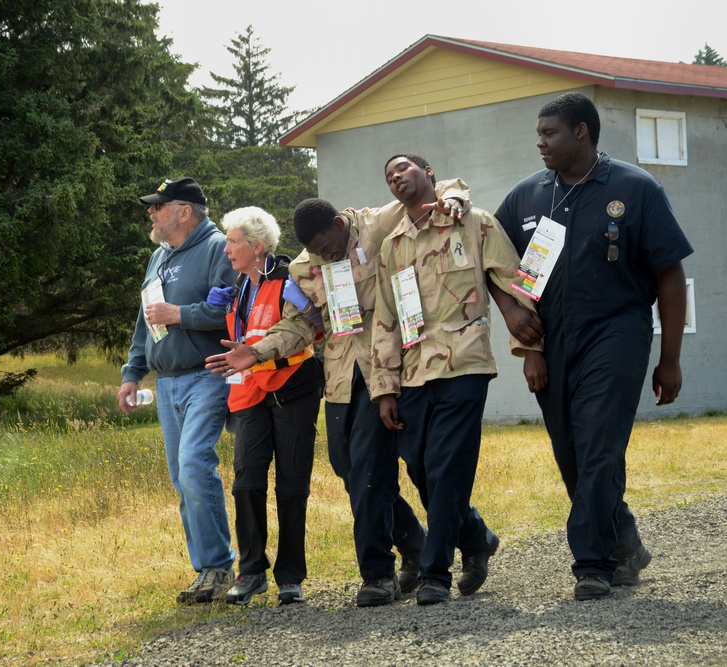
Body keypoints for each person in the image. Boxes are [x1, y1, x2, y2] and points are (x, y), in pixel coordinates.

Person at [206, 181, 477, 608]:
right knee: (347, 467)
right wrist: (254, 351)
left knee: (375, 468)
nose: (324, 257)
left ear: (338, 224)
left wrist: (455, 197)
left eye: (328, 248)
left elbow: (434, 188)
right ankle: (460, 537)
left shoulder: (378, 222)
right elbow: (300, 325)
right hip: (338, 374)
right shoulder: (302, 266)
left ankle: (378, 573)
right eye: (315, 252)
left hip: (387, 367)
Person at [493, 92, 693, 601]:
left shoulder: (635, 188)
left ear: (581, 132)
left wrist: (670, 359)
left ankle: (593, 563)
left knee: (599, 447)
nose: (540, 143)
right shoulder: (527, 196)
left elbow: (670, 275)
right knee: (573, 455)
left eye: (549, 133)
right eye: (538, 134)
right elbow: (500, 268)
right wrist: (522, 333)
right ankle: (624, 539)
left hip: (616, 333)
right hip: (552, 342)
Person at [370, 153, 544, 605]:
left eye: (403, 167)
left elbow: (514, 282)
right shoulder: (392, 246)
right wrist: (385, 387)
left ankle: (435, 573)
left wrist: (531, 348)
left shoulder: (474, 222)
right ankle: (478, 537)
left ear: (429, 174)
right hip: (412, 372)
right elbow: (386, 319)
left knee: (448, 467)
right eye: (389, 175)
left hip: (465, 362)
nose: (395, 177)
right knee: (422, 469)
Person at [119, 177, 237, 604]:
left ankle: (220, 567)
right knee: (181, 477)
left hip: (207, 374)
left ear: (183, 211)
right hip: (166, 382)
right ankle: (206, 569)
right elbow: (145, 321)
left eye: (158, 206)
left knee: (193, 464)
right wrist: (132, 373)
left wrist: (179, 314)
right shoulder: (157, 257)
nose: (150, 212)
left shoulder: (217, 249)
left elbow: (228, 310)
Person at [207, 206, 324, 606]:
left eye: (233, 241)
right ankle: (252, 570)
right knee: (246, 482)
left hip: (292, 388)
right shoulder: (239, 286)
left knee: (292, 486)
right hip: (251, 394)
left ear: (257, 247)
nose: (226, 249)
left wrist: (254, 350)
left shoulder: (290, 278)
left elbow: (302, 329)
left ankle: (290, 576)